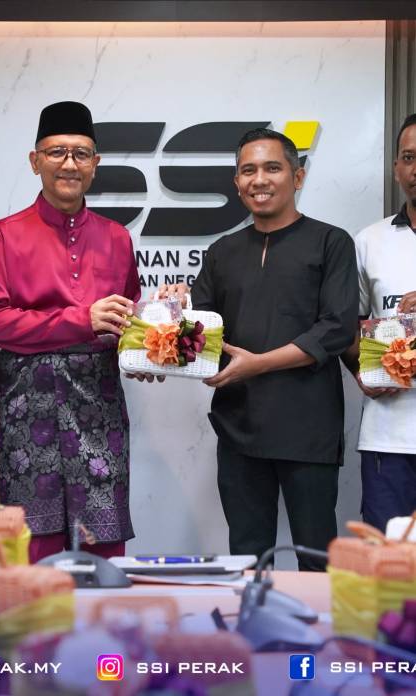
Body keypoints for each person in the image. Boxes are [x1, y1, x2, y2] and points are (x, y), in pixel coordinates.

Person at [160, 128, 358, 570]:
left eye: (272, 168)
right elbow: (200, 332)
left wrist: (259, 364)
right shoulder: (222, 252)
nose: (259, 179)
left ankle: (317, 621)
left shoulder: (331, 242)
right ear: (237, 183)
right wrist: (173, 310)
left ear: (298, 177)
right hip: (239, 427)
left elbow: (336, 329)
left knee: (316, 560)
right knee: (247, 559)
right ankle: (253, 617)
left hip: (309, 429)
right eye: (248, 170)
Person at [0, 101, 141, 562]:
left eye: (81, 154)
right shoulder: (4, 236)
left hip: (99, 405)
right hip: (31, 409)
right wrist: (80, 320)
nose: (69, 164)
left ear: (95, 164)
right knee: (35, 541)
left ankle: (103, 613)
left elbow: (128, 319)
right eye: (57, 152)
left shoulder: (117, 238)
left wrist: (144, 351)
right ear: (35, 161)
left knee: (103, 541)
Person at [342, 114, 416, 531]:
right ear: (396, 168)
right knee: (387, 561)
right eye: (409, 157)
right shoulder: (369, 240)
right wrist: (360, 370)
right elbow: (347, 326)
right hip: (389, 437)